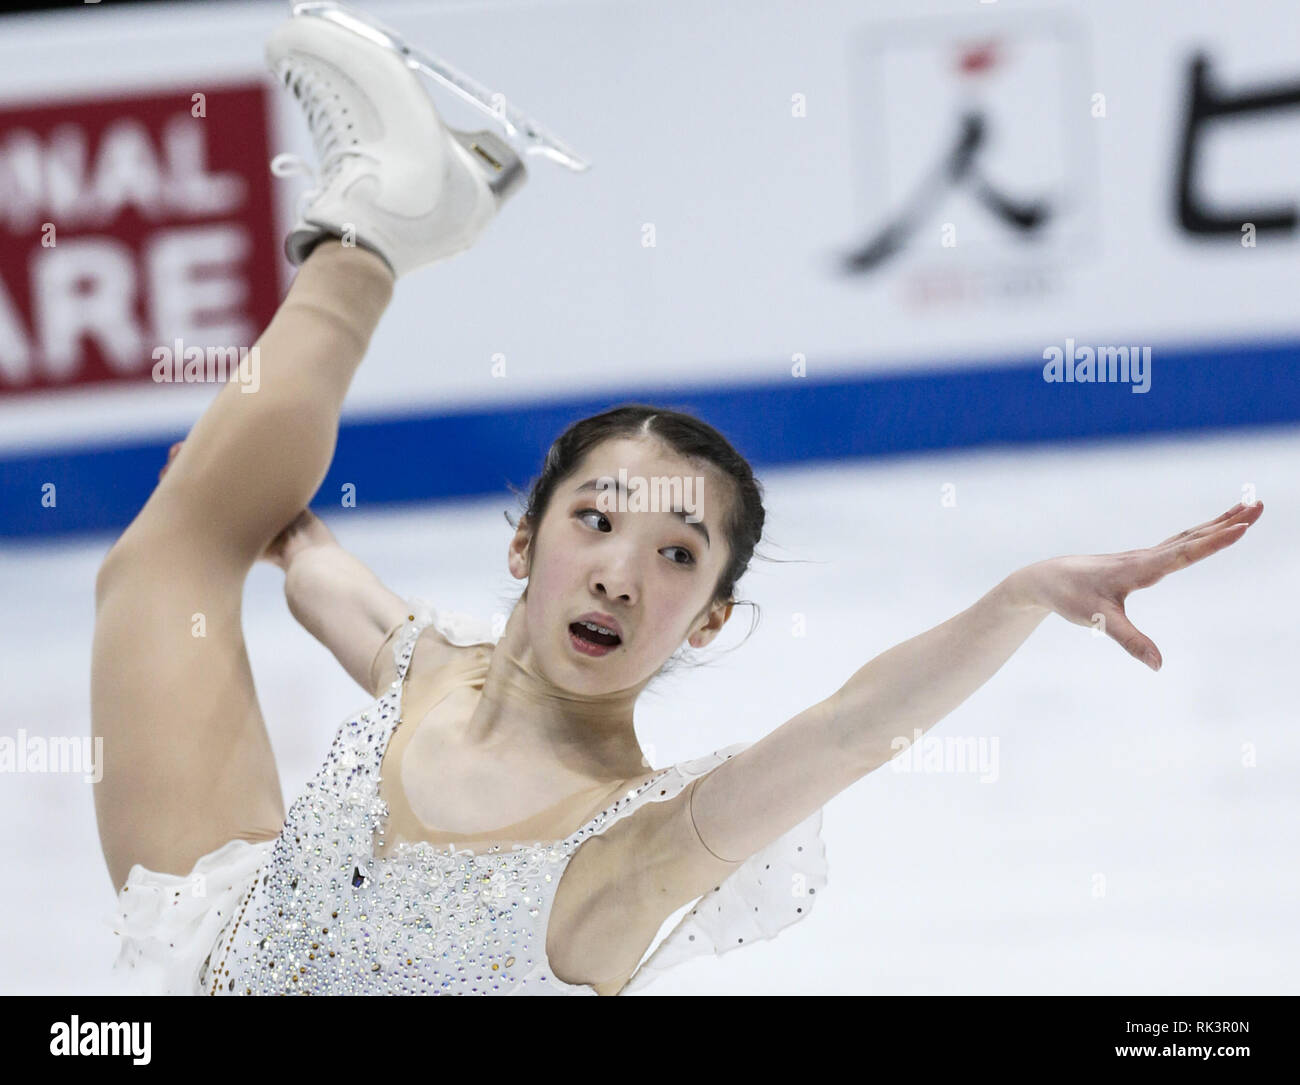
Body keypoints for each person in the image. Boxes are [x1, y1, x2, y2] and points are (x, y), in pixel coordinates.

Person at [96, 4, 1265, 997]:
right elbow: (308, 564)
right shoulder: (428, 667)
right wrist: (244, 494)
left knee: (193, 534)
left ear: (708, 618)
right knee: (163, 560)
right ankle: (371, 229)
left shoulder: (643, 841)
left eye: (674, 555)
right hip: (223, 942)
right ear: (524, 546)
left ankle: (392, 217)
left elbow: (853, 726)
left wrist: (1019, 595)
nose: (618, 570)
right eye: (596, 521)